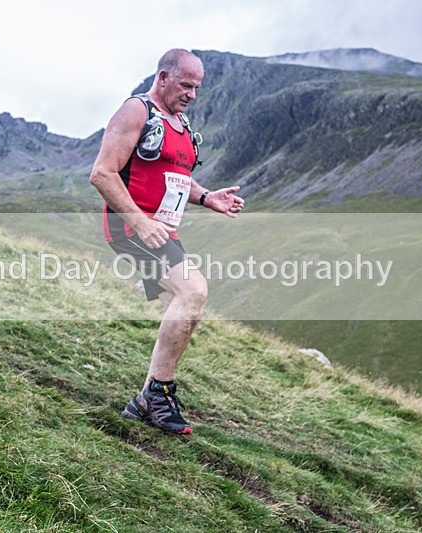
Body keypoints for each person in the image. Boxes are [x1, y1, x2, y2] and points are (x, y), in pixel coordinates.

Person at [89, 48, 245, 435]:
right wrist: (140, 222)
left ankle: (145, 400)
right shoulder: (136, 111)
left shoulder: (179, 123)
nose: (192, 94)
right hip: (132, 227)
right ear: (163, 78)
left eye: (197, 88)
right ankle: (159, 394)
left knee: (185, 312)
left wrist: (207, 198)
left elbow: (174, 176)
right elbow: (102, 173)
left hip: (162, 230)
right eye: (186, 85)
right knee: (193, 290)